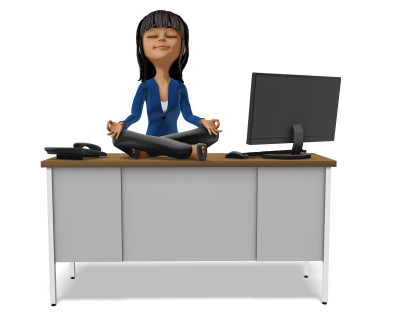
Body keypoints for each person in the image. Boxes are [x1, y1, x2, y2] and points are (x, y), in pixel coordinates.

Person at [106, 10, 222, 160]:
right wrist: (121, 125)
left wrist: (203, 122)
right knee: (118, 138)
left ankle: (148, 151)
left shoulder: (179, 87)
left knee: (212, 134)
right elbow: (135, 115)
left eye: (171, 36)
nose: (161, 39)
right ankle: (187, 151)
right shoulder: (145, 87)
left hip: (164, 140)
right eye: (153, 36)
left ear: (183, 48)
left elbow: (188, 115)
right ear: (141, 48)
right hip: (150, 139)